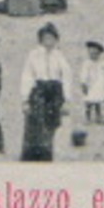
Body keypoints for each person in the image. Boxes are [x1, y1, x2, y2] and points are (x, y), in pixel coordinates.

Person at [19, 23, 72, 161]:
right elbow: (27, 76)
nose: (48, 41)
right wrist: (25, 99)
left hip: (54, 93)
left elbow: (66, 77)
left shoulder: (59, 56)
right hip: (38, 93)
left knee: (51, 125)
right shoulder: (33, 55)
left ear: (56, 40)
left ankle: (47, 153)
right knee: (35, 125)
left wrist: (66, 100)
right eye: (45, 38)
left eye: (51, 38)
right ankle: (32, 154)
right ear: (40, 40)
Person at [80, 41, 104, 124]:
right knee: (89, 103)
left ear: (99, 54)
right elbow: (83, 74)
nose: (94, 56)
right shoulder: (87, 63)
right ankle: (87, 118)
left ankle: (98, 117)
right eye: (92, 53)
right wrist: (83, 83)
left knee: (97, 103)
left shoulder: (101, 63)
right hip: (90, 86)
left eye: (96, 54)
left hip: (98, 86)